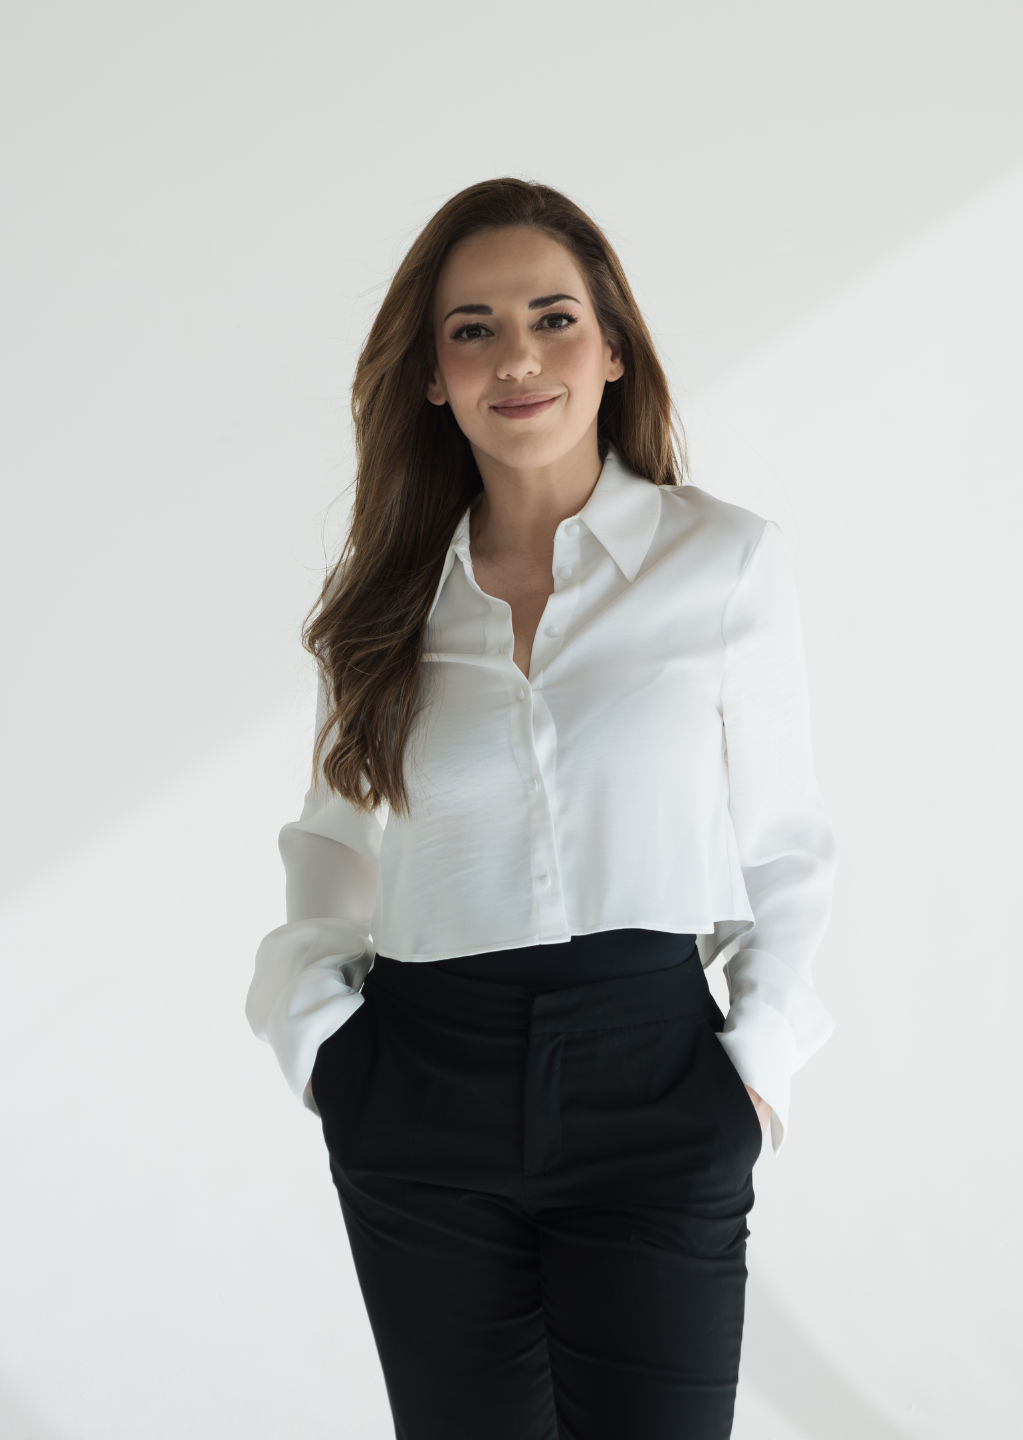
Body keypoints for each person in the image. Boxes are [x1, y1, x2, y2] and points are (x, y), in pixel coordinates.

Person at [246, 178, 836, 1440]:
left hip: (656, 1079)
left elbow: (785, 845)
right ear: (432, 376)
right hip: (420, 1083)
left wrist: (755, 1076)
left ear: (612, 348)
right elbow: (331, 840)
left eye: (553, 318)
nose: (516, 356)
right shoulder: (386, 603)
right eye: (472, 329)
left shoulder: (724, 562)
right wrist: (325, 1045)